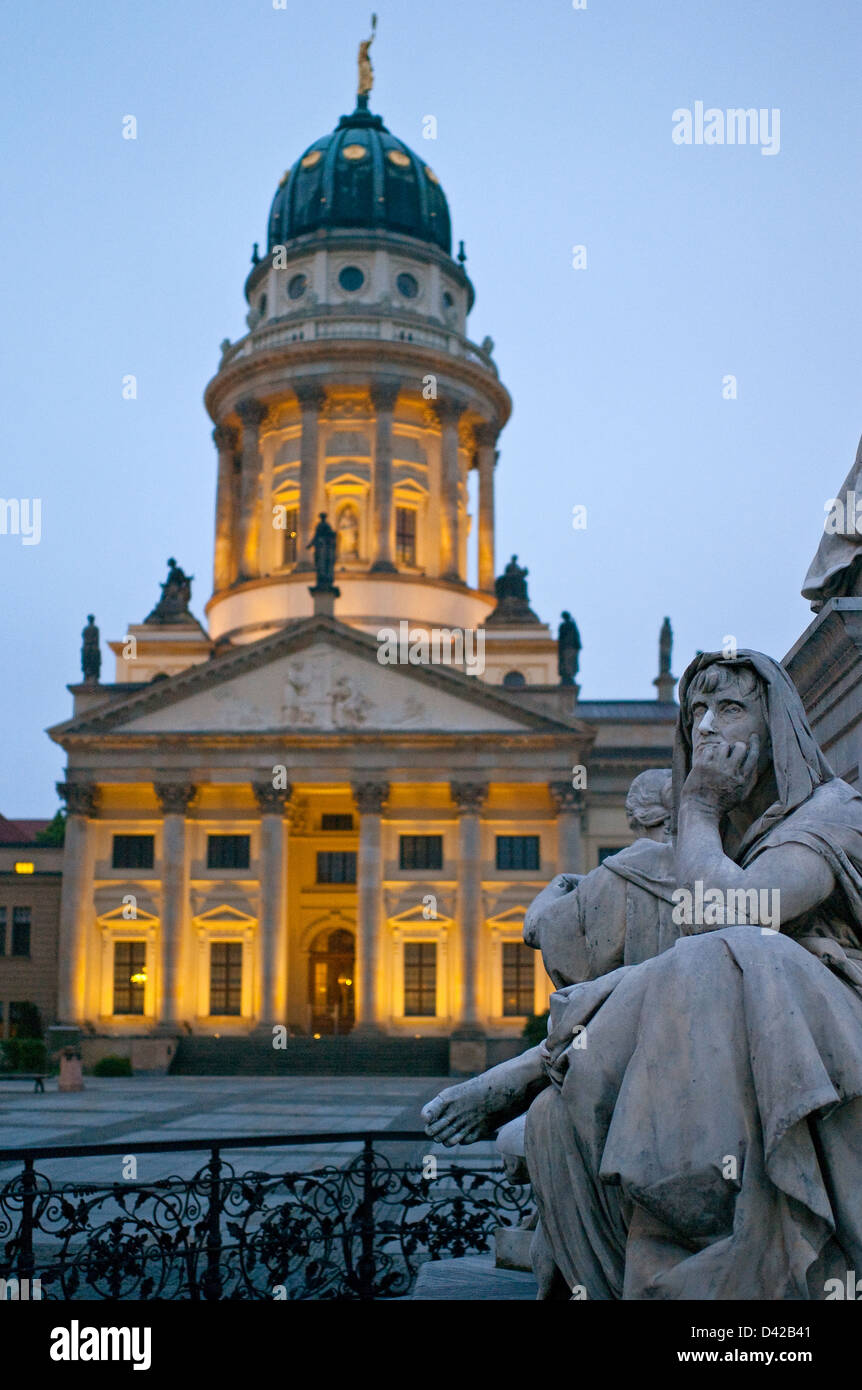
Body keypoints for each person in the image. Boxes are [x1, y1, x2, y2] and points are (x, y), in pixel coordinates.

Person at [424, 649, 862, 1299]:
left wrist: (700, 805)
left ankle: (527, 1077)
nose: (708, 727)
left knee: (726, 956)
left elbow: (722, 918)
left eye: (731, 708)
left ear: (779, 725)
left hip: (835, 1023)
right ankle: (633, 1201)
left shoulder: (833, 812)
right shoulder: (735, 843)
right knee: (558, 1113)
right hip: (753, 1014)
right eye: (696, 712)